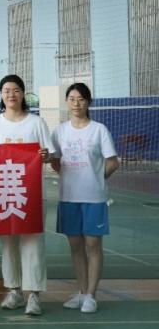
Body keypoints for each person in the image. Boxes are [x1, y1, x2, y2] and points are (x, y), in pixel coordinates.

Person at [0, 74, 53, 316]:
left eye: (15, 90)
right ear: (1, 95)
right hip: (4, 194)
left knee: (33, 244)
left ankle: (34, 295)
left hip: (32, 195)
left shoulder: (37, 123)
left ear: (23, 94)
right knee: (8, 245)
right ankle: (14, 291)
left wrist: (46, 155)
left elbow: (51, 154)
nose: (11, 94)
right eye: (6, 90)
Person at [51, 83, 119, 314]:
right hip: (69, 197)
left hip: (94, 198)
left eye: (81, 99)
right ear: (66, 102)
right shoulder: (60, 131)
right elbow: (55, 160)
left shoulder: (99, 130)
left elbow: (113, 162)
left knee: (93, 245)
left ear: (88, 102)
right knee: (76, 247)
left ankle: (91, 295)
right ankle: (81, 292)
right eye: (72, 99)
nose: (76, 103)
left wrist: (97, 178)